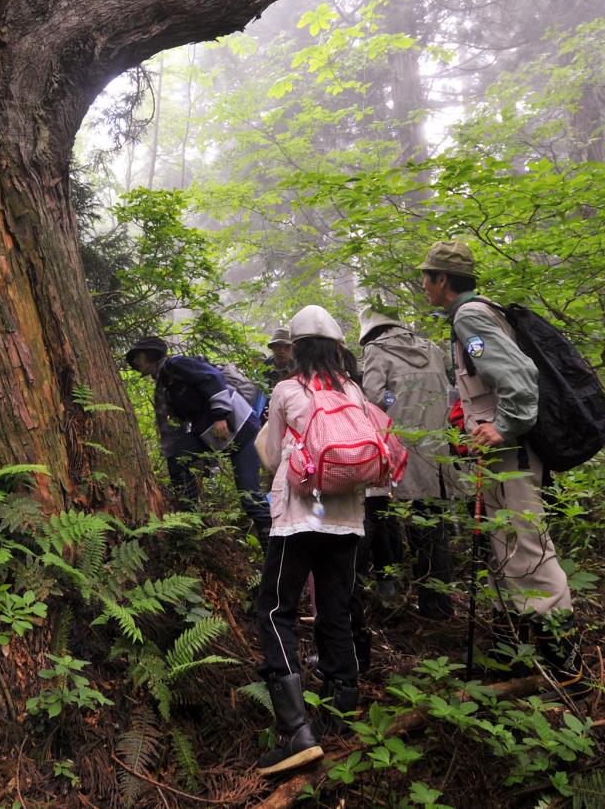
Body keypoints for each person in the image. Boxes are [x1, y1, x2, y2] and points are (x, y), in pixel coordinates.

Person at [417, 240, 581, 679]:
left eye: (427, 277)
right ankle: (525, 652)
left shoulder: (470, 316)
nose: (423, 285)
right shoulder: (472, 316)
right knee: (506, 547)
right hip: (500, 457)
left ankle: (567, 664)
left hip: (511, 453)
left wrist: (504, 426)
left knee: (528, 547)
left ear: (443, 281)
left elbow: (521, 380)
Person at [250, 305, 366, 776]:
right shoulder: (354, 391)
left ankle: (296, 730)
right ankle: (343, 707)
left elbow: (274, 456)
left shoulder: (285, 390)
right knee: (336, 607)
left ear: (294, 349)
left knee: (274, 609)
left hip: (299, 517)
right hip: (346, 520)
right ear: (338, 348)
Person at [358, 307, 457, 621]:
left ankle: (390, 594)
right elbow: (449, 391)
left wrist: (393, 399)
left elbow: (373, 397)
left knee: (382, 520)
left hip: (398, 451)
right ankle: (438, 607)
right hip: (438, 452)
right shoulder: (432, 349)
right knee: (432, 529)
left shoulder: (376, 352)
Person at [125, 336, 271, 539]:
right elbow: (175, 426)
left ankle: (274, 548)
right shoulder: (163, 384)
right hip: (214, 436)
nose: (134, 362)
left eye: (137, 356)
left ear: (150, 354)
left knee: (251, 499)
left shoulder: (177, 364)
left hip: (242, 430)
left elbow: (212, 378)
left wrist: (220, 415)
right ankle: (191, 518)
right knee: (176, 457)